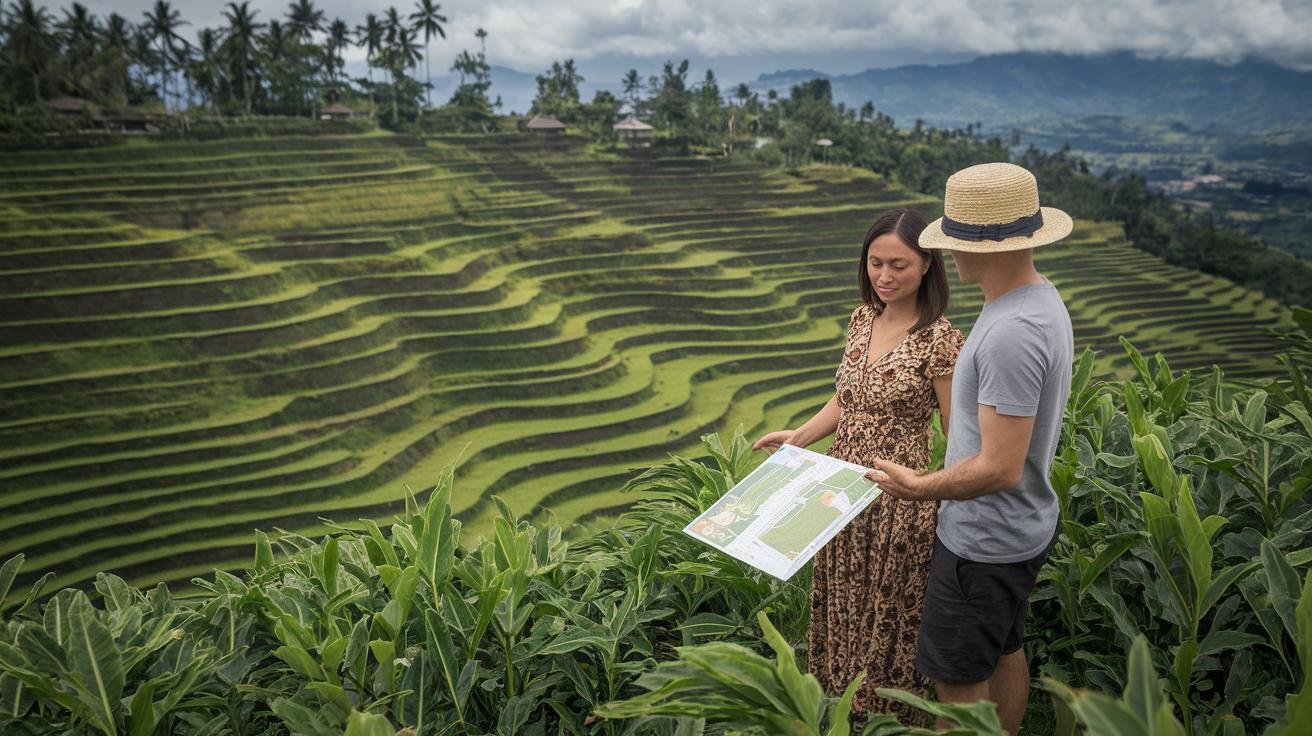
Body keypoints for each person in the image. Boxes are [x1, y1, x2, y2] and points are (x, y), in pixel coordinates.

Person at [866, 162, 1074, 735]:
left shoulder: (1012, 332)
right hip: (1023, 526)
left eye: (955, 240)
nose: (949, 254)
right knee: (1003, 649)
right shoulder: (1034, 301)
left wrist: (919, 487)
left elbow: (1001, 468)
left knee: (956, 687)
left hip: (984, 539)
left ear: (986, 247)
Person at [753, 207, 963, 724]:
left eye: (899, 265)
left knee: (885, 626)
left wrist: (934, 492)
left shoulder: (941, 339)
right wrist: (799, 438)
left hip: (895, 501)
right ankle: (841, 720)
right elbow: (848, 398)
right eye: (875, 263)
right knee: (841, 613)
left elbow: (957, 433)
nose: (885, 277)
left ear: (928, 267)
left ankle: (886, 726)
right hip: (837, 495)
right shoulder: (863, 319)